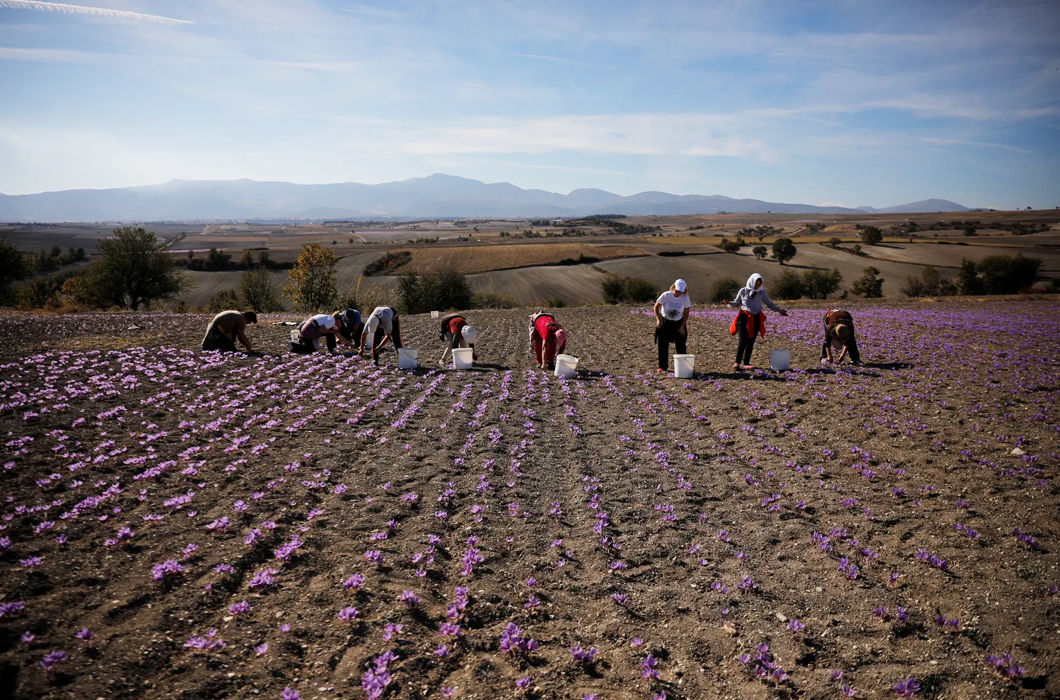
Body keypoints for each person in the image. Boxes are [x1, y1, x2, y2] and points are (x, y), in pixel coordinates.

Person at [726, 273, 788, 370]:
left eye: (759, 284)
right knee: (742, 341)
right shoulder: (743, 291)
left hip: (756, 318)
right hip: (744, 318)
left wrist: (779, 310)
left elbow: (769, 303)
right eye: (756, 283)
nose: (757, 285)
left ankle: (746, 362)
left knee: (751, 341)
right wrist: (729, 302)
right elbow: (736, 303)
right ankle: (737, 363)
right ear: (751, 282)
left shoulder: (761, 292)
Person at [653, 278, 691, 372]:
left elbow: (686, 313)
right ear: (673, 287)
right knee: (662, 345)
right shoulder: (666, 295)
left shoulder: (685, 298)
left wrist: (682, 326)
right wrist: (658, 320)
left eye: (681, 292)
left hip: (678, 323)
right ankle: (662, 367)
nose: (678, 293)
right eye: (677, 291)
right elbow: (656, 307)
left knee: (681, 345)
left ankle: (682, 368)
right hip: (665, 322)